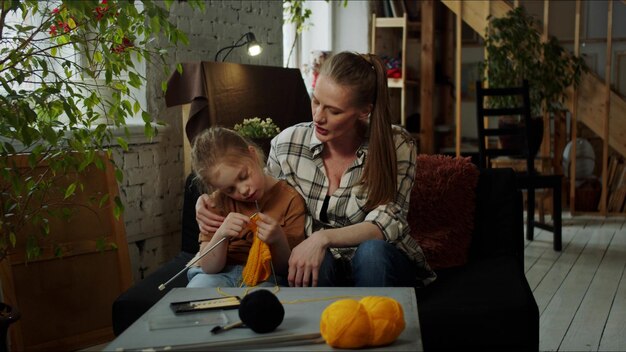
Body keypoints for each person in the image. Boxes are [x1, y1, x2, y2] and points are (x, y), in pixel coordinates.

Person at [196, 51, 435, 288]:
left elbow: (387, 222)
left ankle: (376, 322)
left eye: (334, 110)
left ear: (364, 111)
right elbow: (264, 197)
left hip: (380, 262)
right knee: (315, 262)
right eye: (316, 101)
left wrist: (322, 238)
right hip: (318, 263)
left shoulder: (396, 144)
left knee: (371, 253)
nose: (318, 117)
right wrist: (209, 200)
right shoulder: (287, 144)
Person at [186, 127, 306, 288]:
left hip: (266, 277)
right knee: (197, 290)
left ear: (253, 155)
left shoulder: (290, 199)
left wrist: (278, 239)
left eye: (243, 176)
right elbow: (209, 268)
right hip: (217, 276)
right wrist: (222, 234)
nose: (243, 190)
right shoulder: (216, 203)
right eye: (230, 189)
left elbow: (285, 268)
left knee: (263, 302)